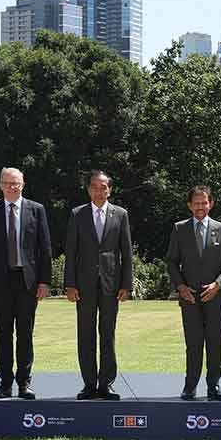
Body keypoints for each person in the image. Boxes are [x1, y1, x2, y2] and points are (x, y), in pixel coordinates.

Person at [0, 167, 52, 399]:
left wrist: (45, 281)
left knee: (26, 333)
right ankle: (5, 382)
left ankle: (24, 382)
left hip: (27, 281)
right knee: (3, 333)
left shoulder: (36, 210)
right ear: (0, 185)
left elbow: (45, 249)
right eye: (7, 183)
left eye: (16, 183)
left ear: (23, 184)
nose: (12, 186)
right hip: (0, 281)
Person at [64, 170, 133, 400]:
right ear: (88, 189)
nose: (99, 191)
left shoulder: (120, 214)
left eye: (103, 187)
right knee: (85, 334)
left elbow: (126, 252)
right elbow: (71, 251)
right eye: (94, 186)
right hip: (82, 286)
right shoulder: (77, 214)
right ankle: (89, 384)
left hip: (111, 284)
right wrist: (70, 284)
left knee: (108, 333)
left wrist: (126, 284)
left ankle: (107, 384)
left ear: (110, 189)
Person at [167, 185, 221, 401]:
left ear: (211, 204)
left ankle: (213, 385)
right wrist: (181, 287)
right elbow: (171, 261)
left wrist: (218, 285)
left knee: (215, 343)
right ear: (189, 205)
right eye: (196, 203)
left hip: (216, 298)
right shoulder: (179, 229)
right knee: (193, 344)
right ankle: (190, 386)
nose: (200, 206)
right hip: (189, 298)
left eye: (204, 202)